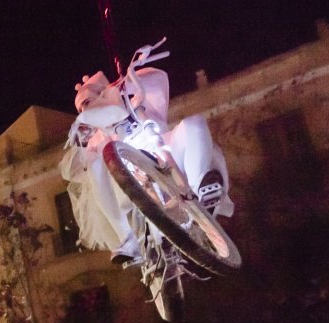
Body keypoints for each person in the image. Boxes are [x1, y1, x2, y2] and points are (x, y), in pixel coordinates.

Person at [59, 51, 233, 264]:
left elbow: (157, 79)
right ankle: (127, 238)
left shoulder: (136, 100)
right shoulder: (98, 138)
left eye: (90, 101)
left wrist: (127, 82)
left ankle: (201, 190)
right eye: (82, 108)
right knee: (95, 167)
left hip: (166, 154)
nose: (88, 108)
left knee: (194, 123)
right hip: (131, 182)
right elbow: (89, 155)